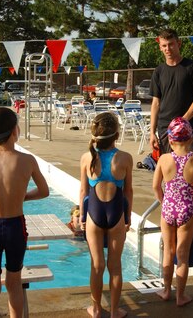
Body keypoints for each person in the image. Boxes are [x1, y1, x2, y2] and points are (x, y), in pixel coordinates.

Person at [0, 107, 50, 318]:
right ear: (15, 131)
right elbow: (44, 191)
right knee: (14, 284)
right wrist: (23, 197)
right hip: (15, 227)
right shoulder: (27, 160)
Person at [152, 117, 193, 307]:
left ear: (170, 140)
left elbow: (155, 186)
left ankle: (167, 291)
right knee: (182, 255)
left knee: (169, 252)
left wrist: (164, 202)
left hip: (168, 209)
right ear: (191, 138)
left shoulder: (163, 159)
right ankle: (181, 296)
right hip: (187, 210)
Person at [79, 112, 133, 318]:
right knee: (115, 266)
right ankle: (114, 311)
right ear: (117, 135)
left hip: (93, 213)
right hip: (117, 213)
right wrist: (128, 218)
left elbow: (83, 192)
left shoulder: (87, 157)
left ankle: (96, 309)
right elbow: (128, 192)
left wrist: (83, 218)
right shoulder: (125, 158)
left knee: (97, 265)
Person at [149, 28, 193, 155]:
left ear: (178, 44)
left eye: (171, 44)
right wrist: (152, 132)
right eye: (164, 45)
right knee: (169, 170)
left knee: (189, 170)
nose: (167, 49)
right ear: (160, 47)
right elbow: (155, 103)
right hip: (165, 129)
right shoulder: (159, 71)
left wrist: (183, 120)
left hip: (188, 127)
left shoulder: (191, 67)